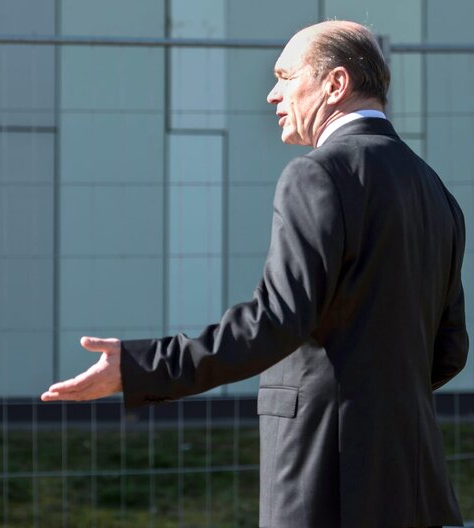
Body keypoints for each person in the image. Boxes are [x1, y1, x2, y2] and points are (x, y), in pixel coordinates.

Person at [42, 20, 467, 528]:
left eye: (285, 77)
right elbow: (449, 350)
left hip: (326, 479)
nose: (271, 94)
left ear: (335, 84)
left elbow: (274, 322)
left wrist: (140, 367)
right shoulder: (436, 191)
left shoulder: (318, 175)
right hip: (412, 483)